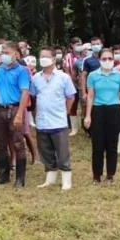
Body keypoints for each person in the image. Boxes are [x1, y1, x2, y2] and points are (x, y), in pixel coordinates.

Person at [31, 47, 76, 190]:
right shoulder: (36, 78)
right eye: (41, 56)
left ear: (53, 59)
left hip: (58, 121)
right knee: (46, 151)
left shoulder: (63, 77)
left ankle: (66, 181)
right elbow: (33, 97)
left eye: (46, 56)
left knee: (62, 153)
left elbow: (70, 97)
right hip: (42, 121)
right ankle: (50, 179)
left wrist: (66, 111)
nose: (43, 58)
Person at [85, 48, 120, 183]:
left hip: (114, 111)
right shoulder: (93, 75)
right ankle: (96, 175)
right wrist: (88, 115)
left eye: (110, 59)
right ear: (99, 60)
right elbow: (90, 96)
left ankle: (110, 174)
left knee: (112, 144)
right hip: (98, 110)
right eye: (104, 59)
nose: (107, 61)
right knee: (97, 145)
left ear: (114, 60)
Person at [0, 41, 31, 188]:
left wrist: (20, 113)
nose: (4, 56)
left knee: (18, 143)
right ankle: (3, 174)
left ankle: (20, 178)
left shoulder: (21, 71)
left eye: (7, 53)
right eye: (3, 53)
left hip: (14, 109)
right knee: (0, 143)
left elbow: (25, 92)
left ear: (16, 54)